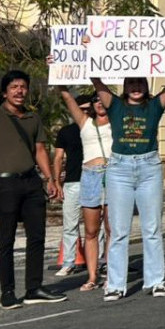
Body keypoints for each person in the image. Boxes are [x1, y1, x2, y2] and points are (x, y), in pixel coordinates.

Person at [0, 44, 66, 309]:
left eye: (23, 86)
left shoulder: (33, 118)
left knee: (37, 236)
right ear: (5, 92)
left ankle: (34, 288)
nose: (19, 91)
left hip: (30, 183)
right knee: (7, 240)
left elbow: (39, 150)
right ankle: (7, 293)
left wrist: (51, 179)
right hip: (4, 183)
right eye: (14, 86)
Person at [93, 58, 165, 301]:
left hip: (149, 167)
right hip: (119, 169)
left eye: (140, 82)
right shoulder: (114, 105)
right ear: (123, 86)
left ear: (146, 84)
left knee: (152, 228)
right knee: (119, 230)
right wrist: (88, 49)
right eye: (131, 82)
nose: (135, 86)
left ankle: (156, 280)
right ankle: (115, 284)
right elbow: (96, 80)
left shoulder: (155, 106)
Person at [54, 89, 112, 293]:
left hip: (112, 175)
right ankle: (92, 276)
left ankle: (111, 274)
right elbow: (68, 98)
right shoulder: (85, 123)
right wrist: (59, 76)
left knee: (111, 229)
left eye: (101, 99)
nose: (98, 103)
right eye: (94, 100)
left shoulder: (116, 123)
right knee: (90, 231)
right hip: (88, 176)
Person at [52, 115, 84, 278]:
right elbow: (58, 157)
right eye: (82, 109)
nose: (85, 111)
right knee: (70, 224)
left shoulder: (98, 128)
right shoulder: (67, 131)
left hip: (97, 181)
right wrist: (57, 182)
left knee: (98, 227)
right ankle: (68, 262)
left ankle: (101, 261)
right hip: (72, 182)